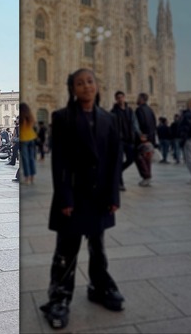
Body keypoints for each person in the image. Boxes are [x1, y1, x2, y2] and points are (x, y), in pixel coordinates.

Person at [40, 68, 123, 330]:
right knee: (67, 249)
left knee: (98, 246)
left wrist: (113, 195)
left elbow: (113, 161)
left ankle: (100, 286)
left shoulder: (108, 119)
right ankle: (60, 298)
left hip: (99, 196)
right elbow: (60, 163)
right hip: (73, 196)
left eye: (90, 82)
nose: (86, 86)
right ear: (72, 89)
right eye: (80, 83)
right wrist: (64, 197)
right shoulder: (62, 117)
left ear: (96, 86)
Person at [110, 91, 137, 191]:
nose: (120, 99)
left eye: (121, 97)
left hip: (129, 139)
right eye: (118, 98)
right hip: (119, 140)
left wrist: (137, 135)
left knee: (131, 159)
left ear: (124, 98)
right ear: (116, 99)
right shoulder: (113, 112)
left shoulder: (130, 110)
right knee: (118, 161)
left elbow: (134, 124)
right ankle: (120, 183)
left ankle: (118, 171)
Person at [134, 93, 157, 187]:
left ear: (142, 99)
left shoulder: (139, 110)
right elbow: (154, 123)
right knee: (147, 158)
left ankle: (146, 176)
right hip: (150, 137)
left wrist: (141, 135)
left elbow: (140, 124)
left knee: (139, 157)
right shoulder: (150, 110)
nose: (137, 99)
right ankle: (148, 176)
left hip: (143, 137)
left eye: (138, 98)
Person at [20, 103, 38, 185]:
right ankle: (32, 177)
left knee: (25, 159)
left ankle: (27, 178)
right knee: (31, 158)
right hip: (32, 138)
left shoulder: (21, 117)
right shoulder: (30, 117)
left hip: (24, 139)